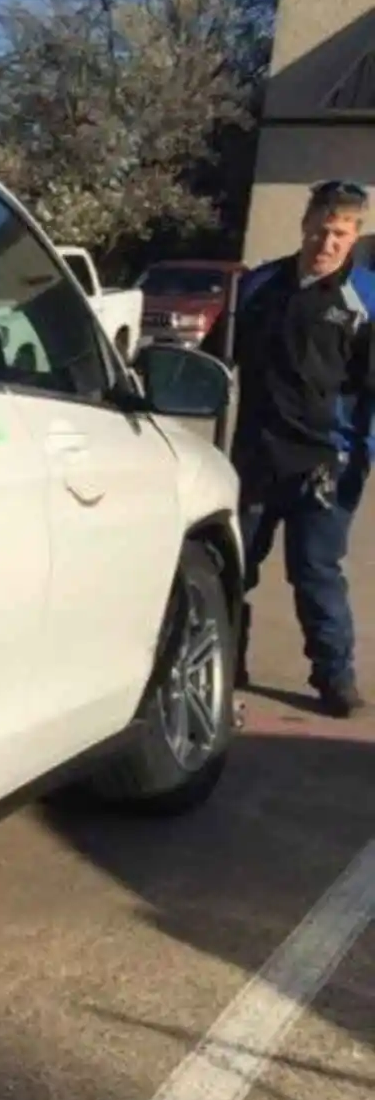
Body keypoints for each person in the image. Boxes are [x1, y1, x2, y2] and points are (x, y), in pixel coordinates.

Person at [204, 180, 375, 718]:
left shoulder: (365, 300)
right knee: (235, 565)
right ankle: (226, 661)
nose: (326, 242)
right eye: (320, 229)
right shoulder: (256, 287)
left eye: (340, 234)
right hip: (256, 456)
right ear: (304, 224)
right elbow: (213, 364)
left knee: (316, 570)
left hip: (328, 463)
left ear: (356, 236)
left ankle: (335, 678)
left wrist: (360, 455)